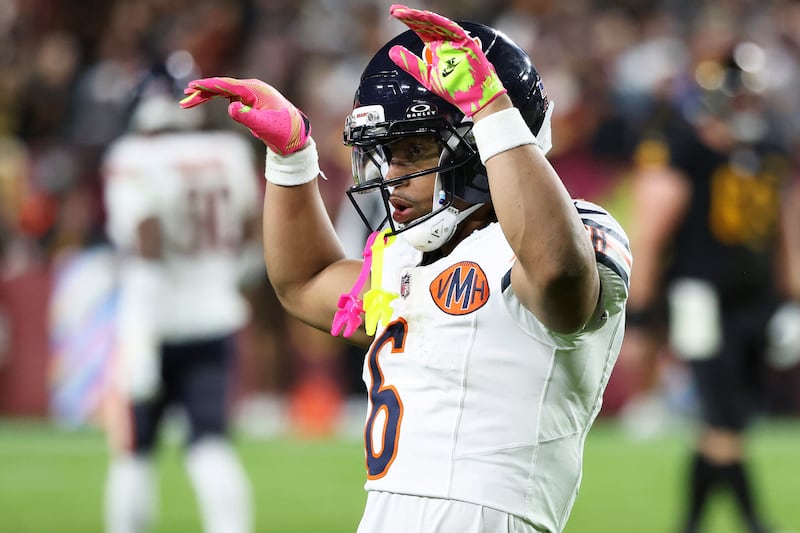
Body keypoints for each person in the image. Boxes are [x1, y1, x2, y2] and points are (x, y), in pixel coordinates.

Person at [181, 5, 631, 532]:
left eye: (415, 151)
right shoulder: (410, 259)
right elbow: (304, 283)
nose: (392, 175)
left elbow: (559, 278)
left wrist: (490, 108)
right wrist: (292, 159)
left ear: (481, 144)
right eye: (386, 154)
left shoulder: (576, 231)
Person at [622, 45, 796, 533]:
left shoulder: (768, 148)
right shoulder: (682, 146)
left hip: (756, 300)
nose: (747, 107)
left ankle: (692, 521)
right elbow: (651, 233)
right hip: (698, 296)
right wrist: (639, 316)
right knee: (723, 416)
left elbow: (784, 227)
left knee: (728, 423)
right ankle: (753, 519)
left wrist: (791, 295)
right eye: (739, 99)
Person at [101, 73, 258, 533]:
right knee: (209, 442)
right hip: (214, 316)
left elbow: (145, 243)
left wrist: (140, 338)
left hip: (151, 322)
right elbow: (251, 233)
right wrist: (220, 282)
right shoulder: (227, 153)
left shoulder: (134, 158)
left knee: (133, 452)